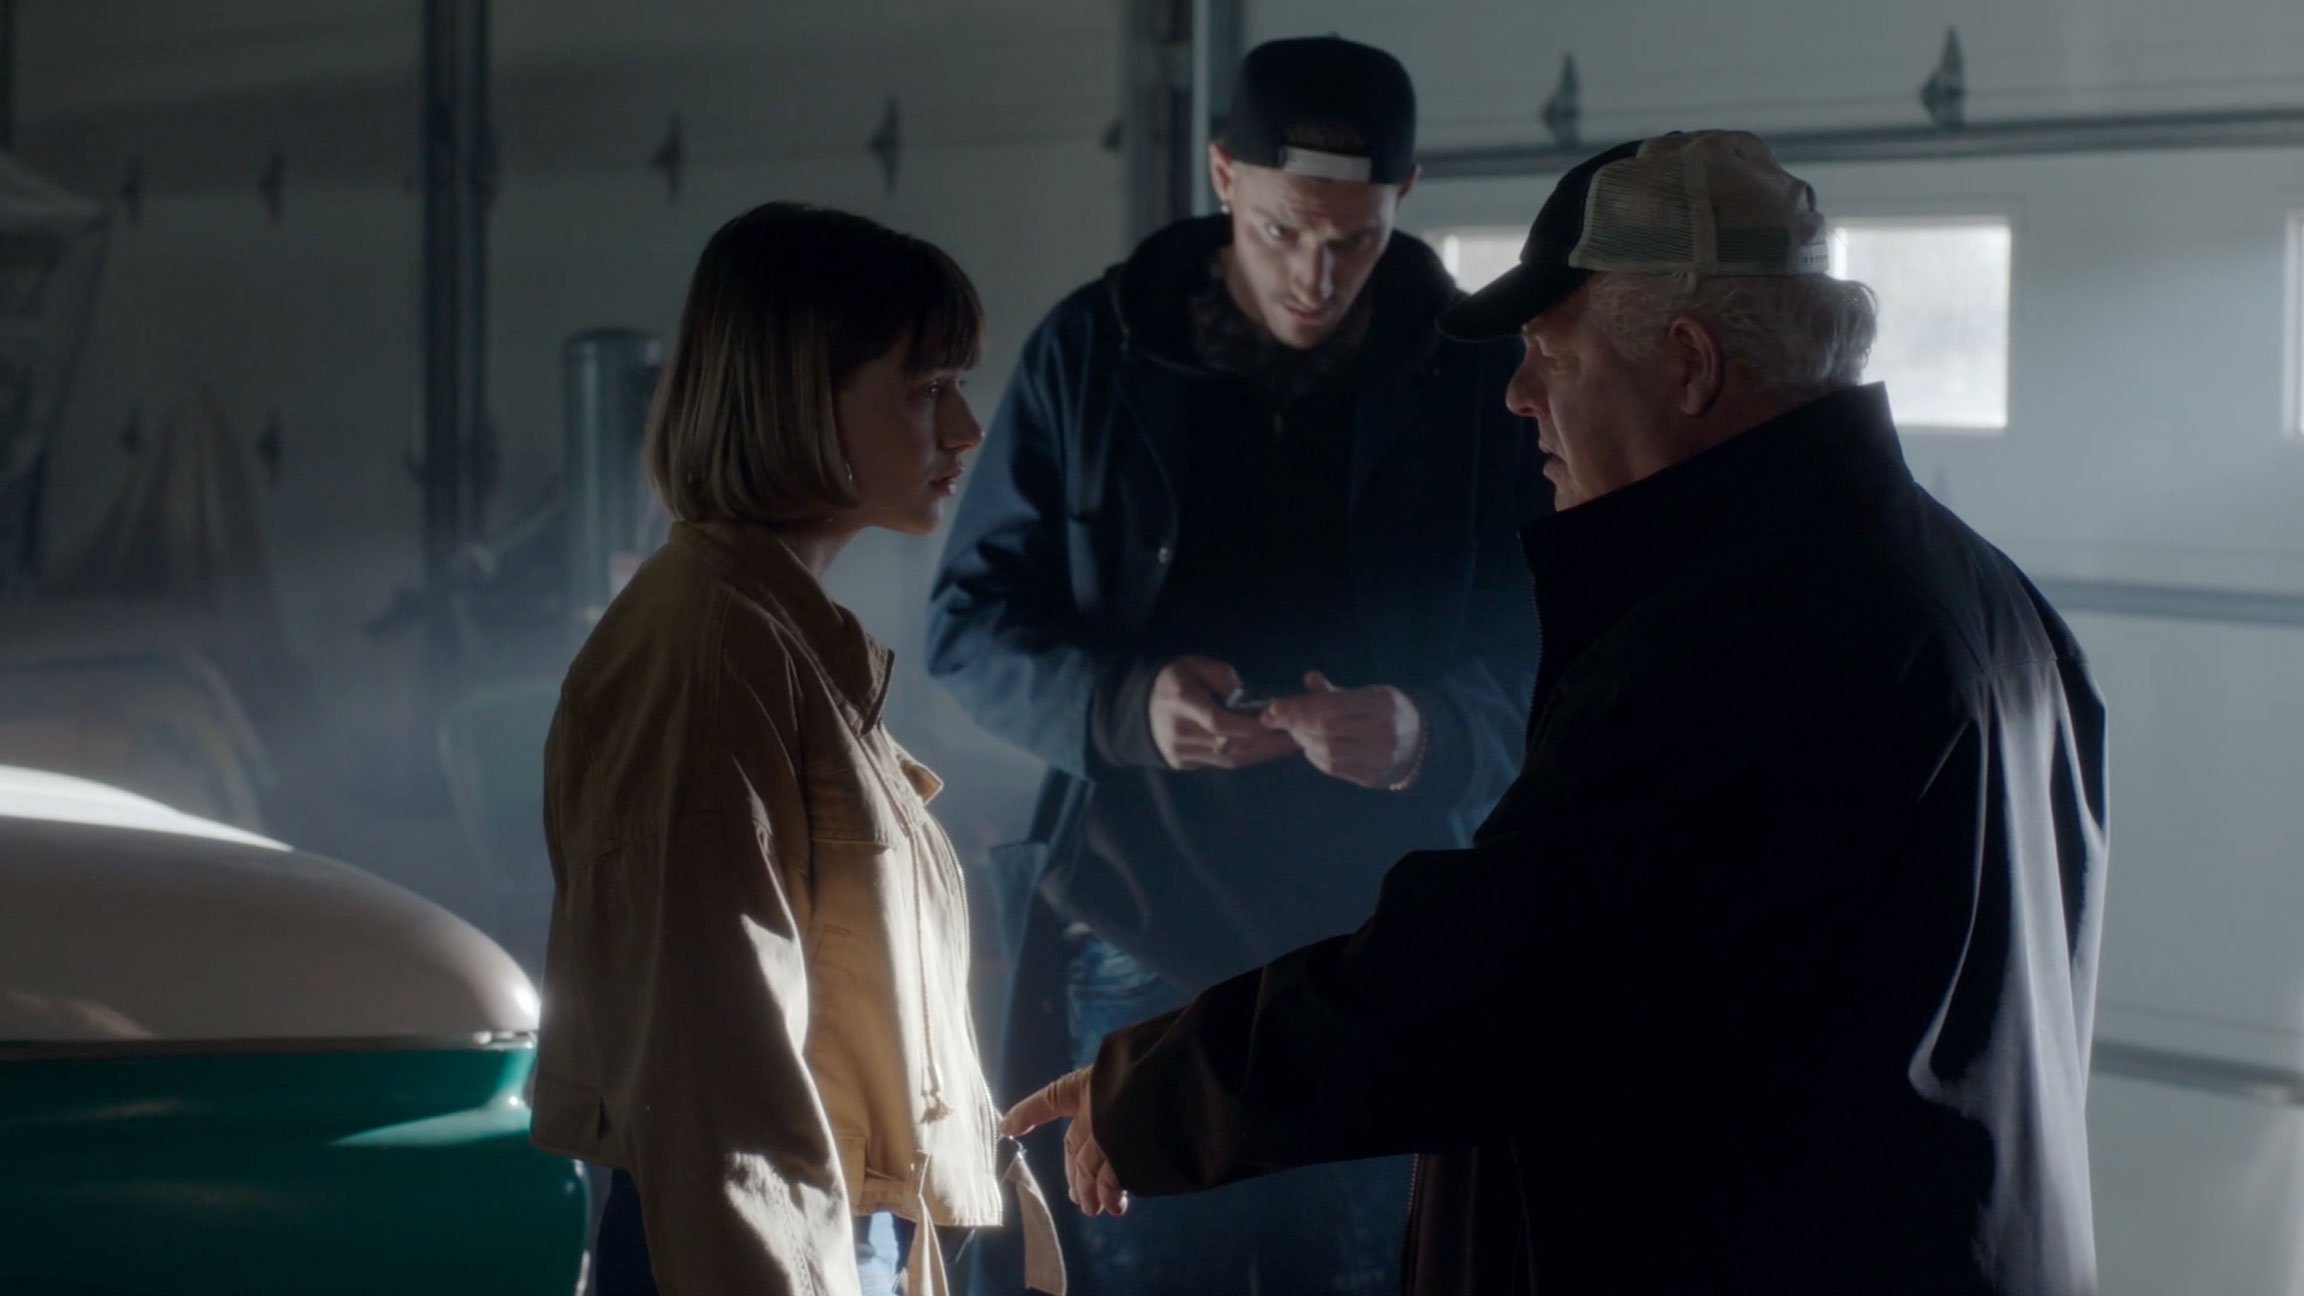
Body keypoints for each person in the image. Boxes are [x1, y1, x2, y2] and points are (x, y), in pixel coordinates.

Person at [1006, 131, 2110, 1296]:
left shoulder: (1755, 634)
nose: (1519, 396)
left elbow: (1504, 974)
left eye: (1549, 353)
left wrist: (1162, 1089)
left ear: (1688, 363)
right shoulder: (1983, 596)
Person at [927, 34, 1548, 1296]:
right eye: (1281, 232)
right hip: (1141, 923)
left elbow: (1552, 646)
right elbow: (966, 624)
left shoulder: (1481, 375)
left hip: (1387, 942)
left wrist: (1431, 731)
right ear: (1223, 177)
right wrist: (1122, 707)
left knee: (1381, 1280)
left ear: (1406, 197)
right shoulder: (1092, 351)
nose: (1318, 277)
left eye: (1355, 241)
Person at [529, 203, 1062, 1296]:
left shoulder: (774, 640)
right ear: (797, 400)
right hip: (761, 1250)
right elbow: (714, 1089)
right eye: (924, 389)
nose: (965, 429)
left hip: (817, 1235)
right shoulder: (706, 654)